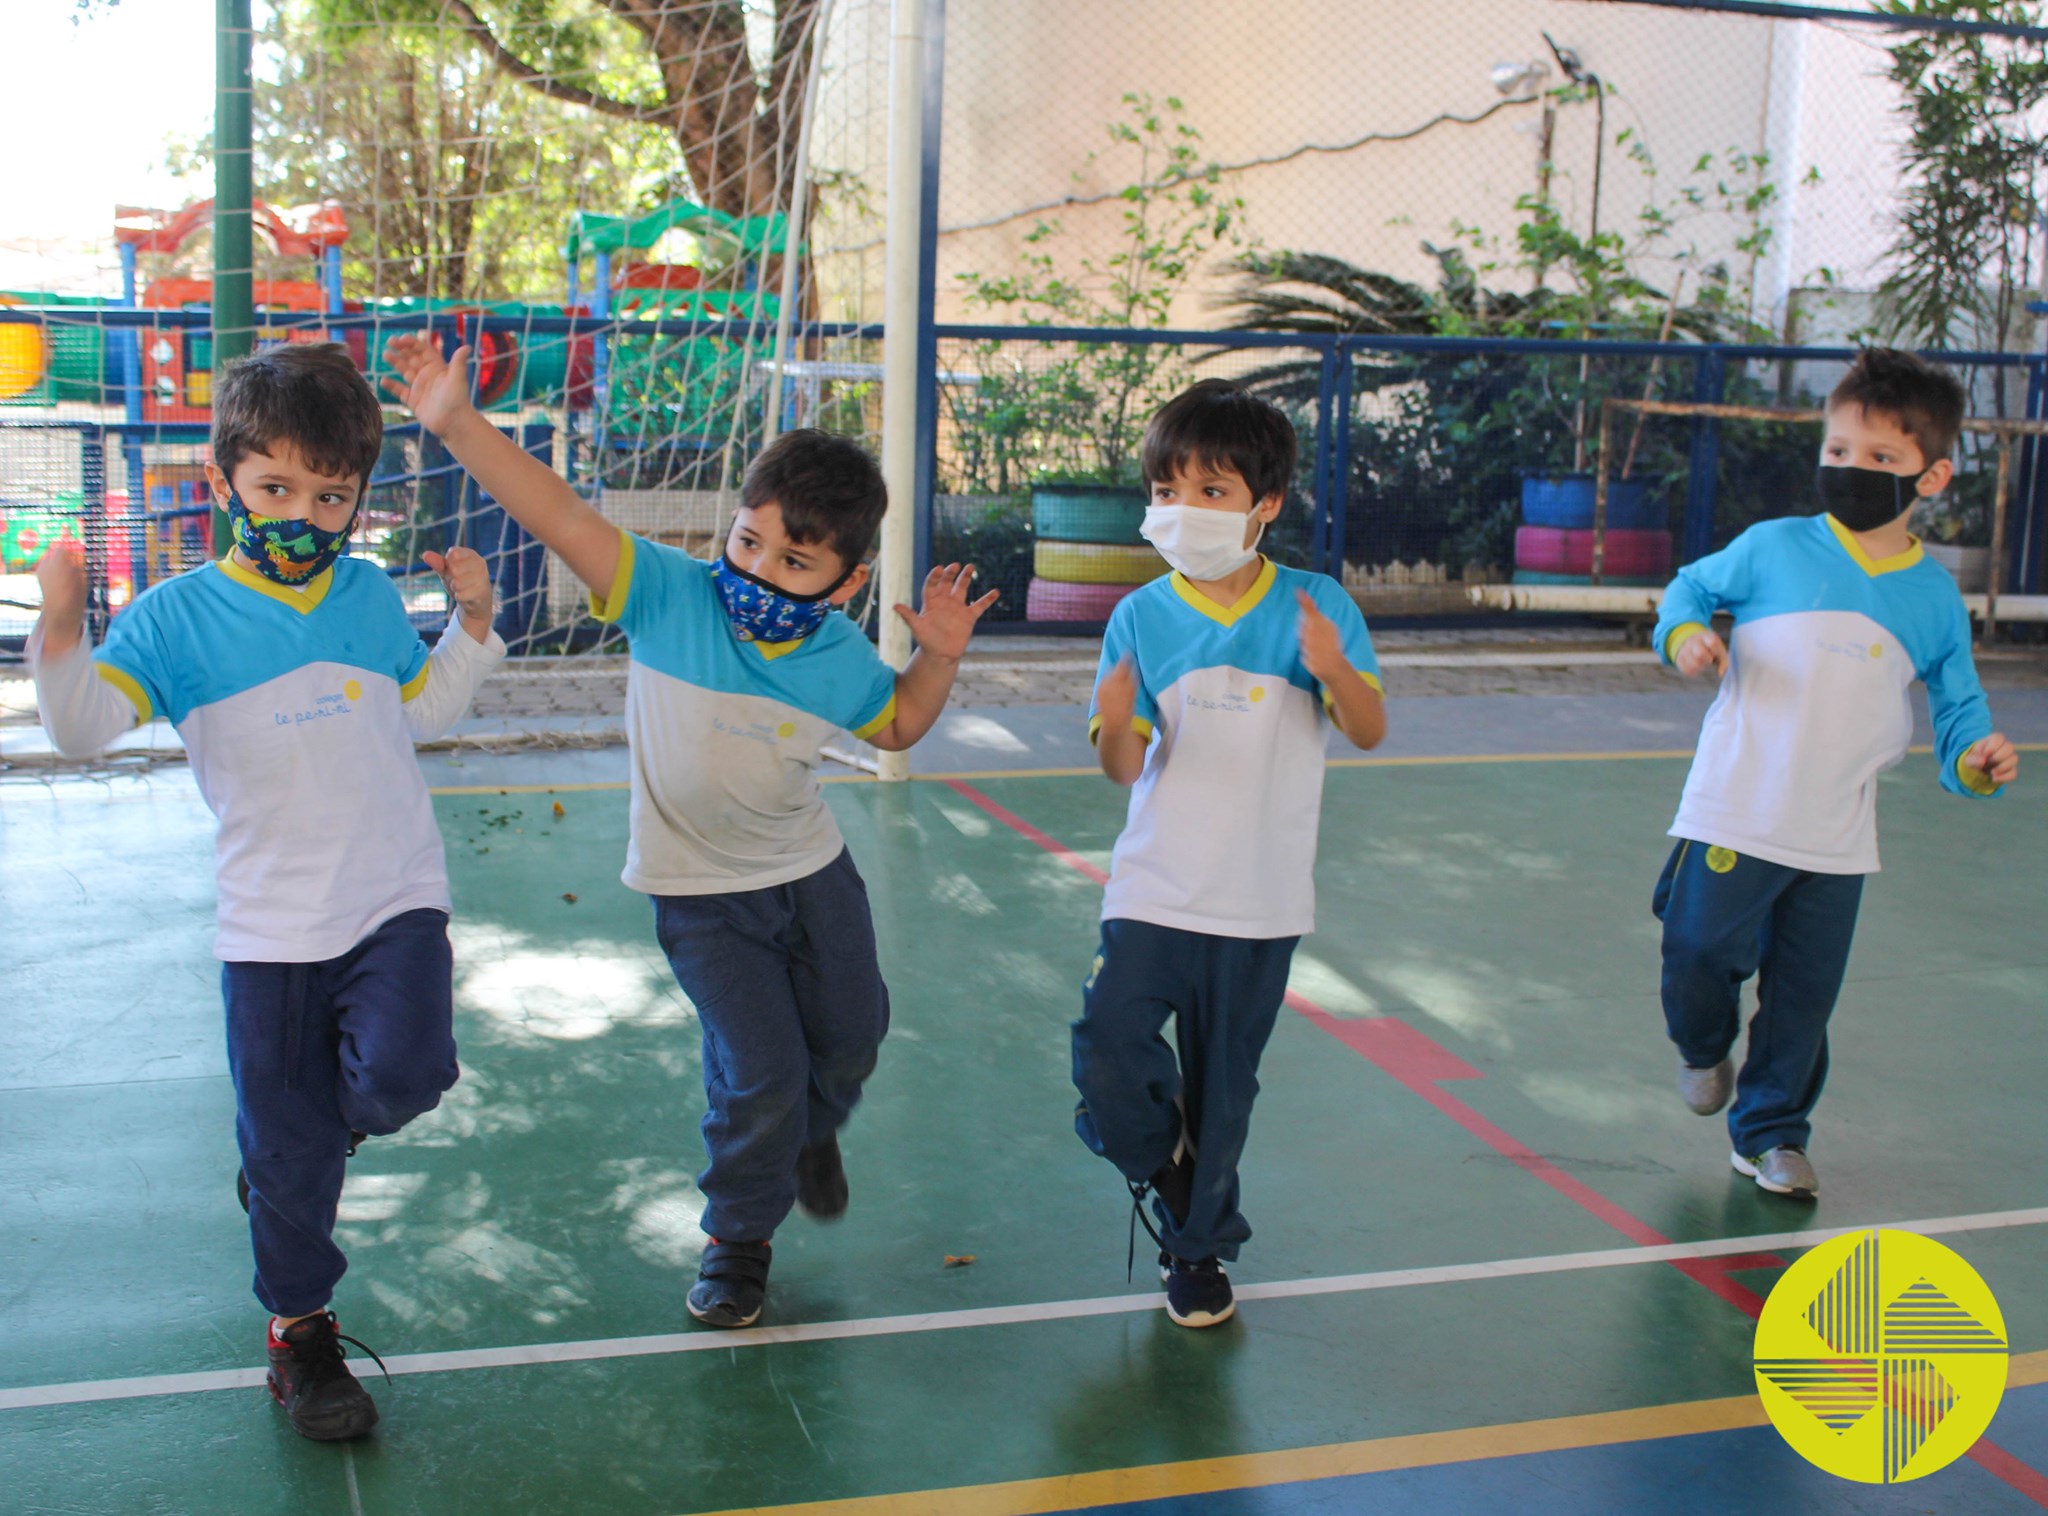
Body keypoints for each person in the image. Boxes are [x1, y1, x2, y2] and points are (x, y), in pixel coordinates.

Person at [381, 330, 997, 1329]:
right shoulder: (667, 596)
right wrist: (455, 421)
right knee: (759, 1069)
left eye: (792, 560)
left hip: (810, 875)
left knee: (850, 1039)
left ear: (841, 583)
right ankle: (736, 1240)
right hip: (700, 897)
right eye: (748, 540)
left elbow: (900, 724)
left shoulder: (836, 652)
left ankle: (804, 1129)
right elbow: (558, 509)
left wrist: (938, 655)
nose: (757, 567)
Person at [29, 341, 505, 1439]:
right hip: (268, 931)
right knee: (288, 1163)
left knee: (404, 1072)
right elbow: (82, 729)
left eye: (328, 495)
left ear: (357, 501)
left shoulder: (371, 595)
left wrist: (468, 632)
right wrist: (60, 628)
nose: (302, 512)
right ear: (222, 483)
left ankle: (289, 1154)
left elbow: (418, 714)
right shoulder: (173, 618)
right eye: (276, 487)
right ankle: (304, 1338)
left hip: (394, 899)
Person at [1652, 347, 2018, 1200]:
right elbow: (1688, 590)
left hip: (1837, 835)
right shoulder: (1773, 548)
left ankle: (1772, 1133)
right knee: (1699, 951)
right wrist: (1686, 637)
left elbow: (1959, 711)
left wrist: (1976, 761)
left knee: (1803, 1001)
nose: (1851, 470)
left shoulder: (1933, 599)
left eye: (1880, 458)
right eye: (1839, 451)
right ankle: (1703, 1047)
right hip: (1735, 810)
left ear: (1931, 477)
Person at [1073, 378, 1387, 1328]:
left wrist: (1333, 668)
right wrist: (1119, 720)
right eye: (1167, 490)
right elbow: (1122, 766)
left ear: (1266, 504)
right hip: (1154, 887)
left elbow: (1367, 728)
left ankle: (1199, 1250)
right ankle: (1164, 1166)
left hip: (1259, 904)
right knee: (1107, 1058)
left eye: (1210, 492)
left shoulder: (1315, 605)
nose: (1181, 511)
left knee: (1226, 1092)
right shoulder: (1139, 617)